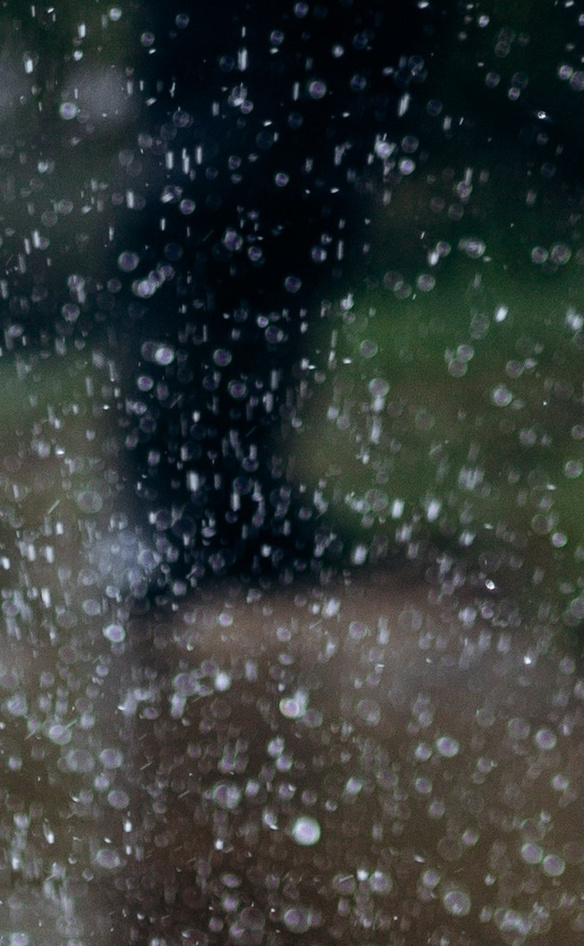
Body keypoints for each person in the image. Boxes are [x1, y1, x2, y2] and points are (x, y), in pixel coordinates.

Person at [111, 0, 436, 606]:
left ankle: (237, 511)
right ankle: (181, 524)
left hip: (276, 144)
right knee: (206, 328)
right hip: (240, 148)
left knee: (262, 329)